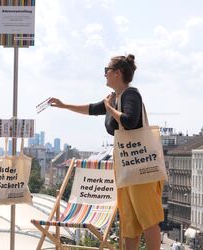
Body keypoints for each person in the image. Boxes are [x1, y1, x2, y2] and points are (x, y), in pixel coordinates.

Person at [48, 54, 164, 250]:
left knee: (148, 218)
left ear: (117, 73)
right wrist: (64, 105)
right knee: (130, 222)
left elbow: (129, 121)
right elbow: (91, 109)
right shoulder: (116, 98)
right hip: (127, 166)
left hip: (141, 168)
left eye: (106, 71)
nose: (104, 75)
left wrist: (109, 107)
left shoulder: (130, 95)